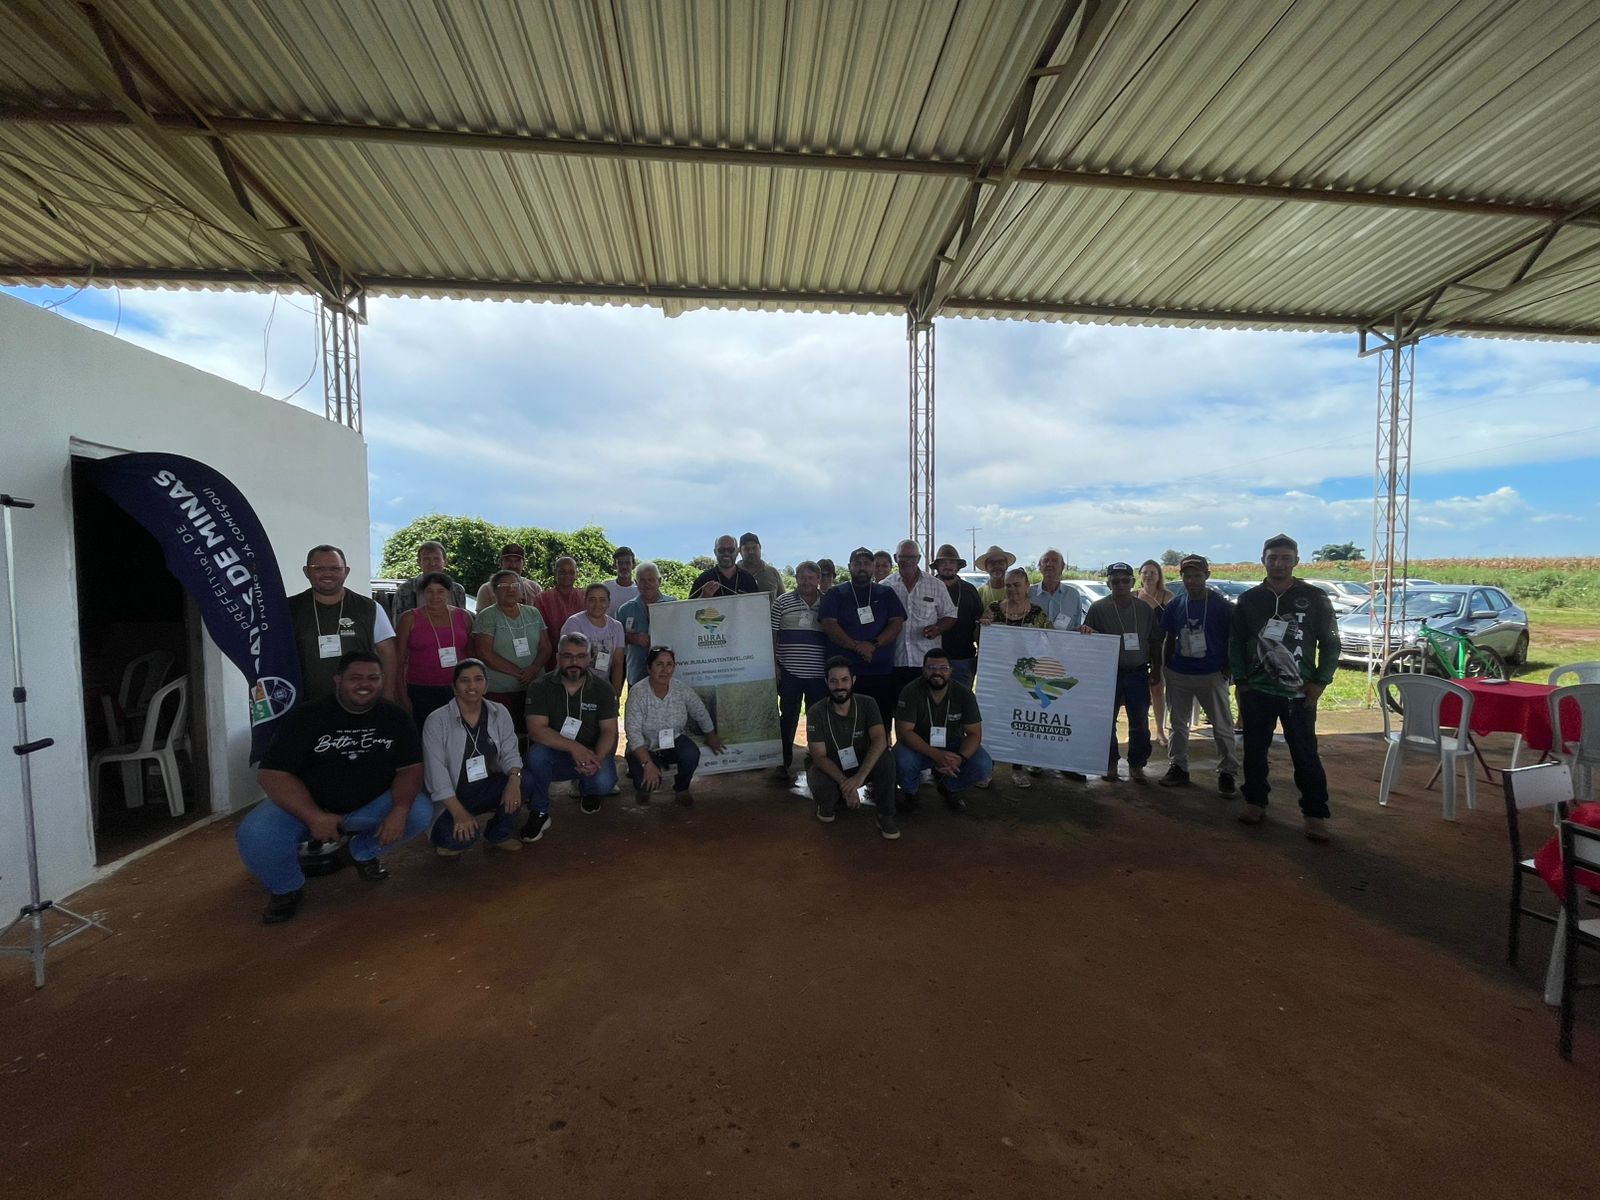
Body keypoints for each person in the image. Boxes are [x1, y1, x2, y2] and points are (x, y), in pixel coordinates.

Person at [238, 651, 430, 924]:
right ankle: (286, 889)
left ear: (382, 680)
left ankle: (358, 853)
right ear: (338, 680)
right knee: (256, 832)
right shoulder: (306, 716)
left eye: (373, 678)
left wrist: (399, 809)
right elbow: (271, 774)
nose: (364, 684)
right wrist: (313, 816)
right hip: (306, 809)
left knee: (418, 811)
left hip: (369, 806)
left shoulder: (396, 717)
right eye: (355, 678)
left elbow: (410, 768)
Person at [1229, 534, 1339, 841]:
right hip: (1257, 691)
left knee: (1305, 754)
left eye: (1285, 558)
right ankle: (1254, 802)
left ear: (1296, 561)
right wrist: (1242, 681)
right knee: (1254, 751)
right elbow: (1236, 642)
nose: (1279, 563)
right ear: (1262, 560)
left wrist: (1320, 681)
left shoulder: (1315, 597)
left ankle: (1315, 814)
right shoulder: (1249, 599)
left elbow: (1331, 642)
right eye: (1273, 558)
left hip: (1299, 693)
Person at [421, 659, 524, 855]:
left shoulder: (499, 711)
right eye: (464, 680)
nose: (472, 686)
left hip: (485, 787)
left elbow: (510, 752)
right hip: (451, 796)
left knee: (524, 783)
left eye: (478, 679)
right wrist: (459, 813)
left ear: (486, 685)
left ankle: (498, 835)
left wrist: (514, 780)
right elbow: (436, 775)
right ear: (454, 687)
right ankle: (452, 826)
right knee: (458, 839)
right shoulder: (436, 721)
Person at [1157, 555, 1240, 795]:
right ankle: (1178, 766)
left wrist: (1228, 669)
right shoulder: (1175, 605)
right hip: (1179, 673)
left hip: (1211, 674)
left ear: (1207, 576)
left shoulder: (1222, 606)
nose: (1191, 581)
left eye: (1197, 576)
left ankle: (1227, 772)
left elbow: (1234, 640)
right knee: (1178, 724)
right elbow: (1168, 638)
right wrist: (1165, 667)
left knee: (1222, 725)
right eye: (1187, 576)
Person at [523, 632, 620, 823]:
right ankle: (540, 810)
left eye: (581, 656)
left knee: (603, 782)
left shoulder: (603, 688)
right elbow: (536, 731)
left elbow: (609, 731)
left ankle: (588, 790)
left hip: (591, 753)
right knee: (536, 757)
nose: (574, 662)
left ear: (590, 659)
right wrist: (574, 748)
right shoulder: (540, 687)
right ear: (558, 657)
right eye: (567, 656)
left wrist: (596, 759)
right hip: (555, 752)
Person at [1080, 563, 1162, 783]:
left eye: (1125, 580)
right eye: (1115, 581)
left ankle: (1137, 764)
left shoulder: (1144, 609)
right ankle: (1110, 763)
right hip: (1108, 675)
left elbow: (1155, 641)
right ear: (1108, 584)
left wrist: (1157, 669)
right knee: (1106, 721)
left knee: (1140, 722)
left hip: (1138, 673)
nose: (1121, 585)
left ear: (1133, 582)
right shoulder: (1098, 608)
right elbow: (1087, 638)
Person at [288, 544, 397, 705]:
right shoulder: (288, 609)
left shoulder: (370, 608)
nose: (327, 574)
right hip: (304, 706)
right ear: (306, 571)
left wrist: (387, 699)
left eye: (335, 568)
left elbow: (388, 655)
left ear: (346, 571)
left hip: (361, 704)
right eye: (319, 568)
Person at [807, 657, 898, 839]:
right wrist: (846, 784)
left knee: (885, 758)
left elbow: (880, 739)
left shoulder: (868, 703)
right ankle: (830, 801)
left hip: (861, 766)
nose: (839, 686)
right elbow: (819, 756)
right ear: (826, 682)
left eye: (844, 680)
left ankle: (885, 815)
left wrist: (859, 778)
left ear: (853, 680)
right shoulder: (816, 712)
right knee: (823, 791)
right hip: (832, 768)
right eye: (833, 681)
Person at [892, 649, 993, 812]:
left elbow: (974, 733)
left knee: (983, 764)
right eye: (931, 668)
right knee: (901, 758)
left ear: (951, 671)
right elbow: (904, 733)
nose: (937, 672)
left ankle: (949, 788)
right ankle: (911, 793)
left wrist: (961, 758)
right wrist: (936, 754)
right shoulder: (910, 691)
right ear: (923, 670)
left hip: (952, 745)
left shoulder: (964, 694)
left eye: (943, 668)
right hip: (919, 746)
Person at [818, 547, 906, 730]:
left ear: (873, 566)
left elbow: (897, 624)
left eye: (867, 563)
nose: (862, 567)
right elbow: (829, 625)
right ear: (849, 566)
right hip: (843, 675)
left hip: (880, 670)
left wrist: (873, 645)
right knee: (842, 723)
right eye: (857, 564)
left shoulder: (886, 593)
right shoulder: (835, 594)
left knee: (880, 721)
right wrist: (856, 646)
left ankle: (881, 748)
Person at [623, 646, 725, 806]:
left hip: (673, 741)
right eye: (659, 664)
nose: (665, 670)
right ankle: (643, 787)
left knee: (691, 754)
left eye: (669, 664)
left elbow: (700, 711)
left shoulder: (680, 689)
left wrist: (710, 735)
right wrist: (647, 764)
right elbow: (633, 732)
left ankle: (682, 788)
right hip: (645, 746)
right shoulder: (638, 693)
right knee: (645, 781)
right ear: (649, 668)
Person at [979, 567, 1051, 790]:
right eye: (1008, 585)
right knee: (992, 722)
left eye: (1017, 585)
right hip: (997, 679)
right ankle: (987, 769)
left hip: (1025, 681)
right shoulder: (993, 609)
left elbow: (1052, 642)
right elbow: (980, 639)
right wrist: (984, 627)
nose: (1012, 589)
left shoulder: (1038, 613)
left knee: (1021, 724)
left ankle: (1017, 769)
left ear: (1027, 586)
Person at [471, 569, 549, 737]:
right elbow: (484, 652)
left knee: (533, 733)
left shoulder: (533, 613)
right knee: (502, 735)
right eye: (504, 586)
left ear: (521, 589)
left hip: (534, 687)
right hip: (500, 691)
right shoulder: (487, 616)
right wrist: (519, 673)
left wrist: (533, 669)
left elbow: (545, 646)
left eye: (515, 585)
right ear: (494, 591)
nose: (510, 589)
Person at [770, 561, 830, 780]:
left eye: (811, 577)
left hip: (819, 674)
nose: (806, 581)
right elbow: (772, 634)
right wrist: (775, 665)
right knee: (787, 718)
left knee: (817, 720)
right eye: (802, 577)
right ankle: (782, 763)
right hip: (789, 671)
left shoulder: (828, 603)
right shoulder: (782, 602)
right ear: (796, 578)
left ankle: (817, 761)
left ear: (819, 579)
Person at [885, 539, 958, 716]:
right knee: (899, 710)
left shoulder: (936, 585)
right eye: (903, 557)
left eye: (911, 557)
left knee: (927, 711)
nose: (907, 561)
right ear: (895, 558)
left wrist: (938, 628)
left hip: (927, 663)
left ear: (918, 559)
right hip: (895, 660)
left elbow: (950, 615)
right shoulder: (885, 586)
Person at [395, 572, 473, 731]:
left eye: (440, 591)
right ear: (423, 594)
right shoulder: (409, 618)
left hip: (458, 689)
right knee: (426, 735)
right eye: (429, 591)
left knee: (458, 735)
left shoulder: (464, 616)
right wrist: (402, 696)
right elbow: (398, 660)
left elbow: (472, 656)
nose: (435, 596)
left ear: (449, 593)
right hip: (421, 690)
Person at [560, 583, 627, 694]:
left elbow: (618, 663)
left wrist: (616, 693)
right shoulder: (574, 623)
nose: (597, 604)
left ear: (608, 602)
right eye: (592, 600)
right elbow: (571, 661)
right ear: (585, 601)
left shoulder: (617, 626)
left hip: (603, 686)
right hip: (576, 686)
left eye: (602, 600)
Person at [1139, 560, 1177, 745]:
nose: (1148, 576)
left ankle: (1160, 731)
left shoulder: (1167, 596)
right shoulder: (1133, 595)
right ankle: (1141, 729)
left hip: (1161, 649)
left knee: (1158, 689)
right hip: (1138, 648)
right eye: (1145, 572)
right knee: (1140, 692)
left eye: (1152, 572)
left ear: (1159, 575)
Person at [617, 562, 674, 685]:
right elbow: (616, 640)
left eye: (651, 580)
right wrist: (631, 638)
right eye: (642, 580)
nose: (647, 584)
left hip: (667, 676)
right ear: (636, 583)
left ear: (659, 581)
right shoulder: (625, 609)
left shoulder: (673, 605)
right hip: (636, 674)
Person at [935, 544, 984, 686]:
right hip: (933, 658)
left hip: (964, 657)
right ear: (937, 566)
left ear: (958, 566)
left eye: (951, 562)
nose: (948, 566)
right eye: (943, 562)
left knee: (962, 698)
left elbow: (979, 623)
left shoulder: (969, 590)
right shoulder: (927, 587)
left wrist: (980, 654)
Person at [533, 556, 586, 660]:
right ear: (555, 573)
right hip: (551, 656)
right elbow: (538, 631)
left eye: (571, 572)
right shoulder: (542, 599)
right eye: (562, 572)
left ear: (577, 574)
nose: (567, 575)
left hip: (582, 656)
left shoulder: (585, 596)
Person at [394, 540, 466, 614]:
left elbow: (462, 618)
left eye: (436, 559)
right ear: (419, 562)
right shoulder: (405, 590)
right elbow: (398, 620)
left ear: (445, 561)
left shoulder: (457, 590)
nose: (432, 563)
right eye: (426, 559)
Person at [474, 542, 541, 610]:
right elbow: (482, 616)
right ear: (500, 563)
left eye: (517, 561)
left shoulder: (535, 588)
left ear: (523, 564)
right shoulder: (486, 589)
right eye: (508, 560)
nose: (513, 565)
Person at [691, 534, 761, 598]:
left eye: (731, 550)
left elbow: (757, 605)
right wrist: (703, 596)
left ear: (737, 552)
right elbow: (689, 606)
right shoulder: (704, 579)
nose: (726, 553)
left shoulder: (748, 579)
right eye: (721, 550)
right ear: (715, 552)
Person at [1031, 548, 1083, 631]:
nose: (1049, 564)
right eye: (1045, 561)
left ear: (1062, 567)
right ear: (1039, 567)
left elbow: (1077, 628)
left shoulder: (1074, 595)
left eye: (1054, 561)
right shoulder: (1028, 593)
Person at [973, 545, 1014, 609]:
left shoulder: (1015, 589)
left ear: (1006, 565)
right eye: (992, 563)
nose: (996, 566)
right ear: (986, 567)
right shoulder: (980, 592)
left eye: (1000, 562)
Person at [605, 546, 640, 613]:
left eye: (627, 563)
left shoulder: (639, 590)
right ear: (615, 565)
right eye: (620, 563)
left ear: (633, 565)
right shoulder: (606, 587)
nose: (624, 567)